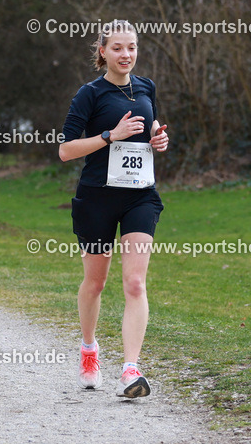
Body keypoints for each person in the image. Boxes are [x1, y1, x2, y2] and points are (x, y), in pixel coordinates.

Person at [58, 20, 170, 398]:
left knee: (135, 282)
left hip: (140, 195)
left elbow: (150, 127)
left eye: (132, 47)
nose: (126, 55)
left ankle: (130, 369)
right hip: (97, 197)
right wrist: (110, 136)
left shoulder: (146, 87)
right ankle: (89, 349)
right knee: (96, 282)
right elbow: (65, 150)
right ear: (102, 51)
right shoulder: (89, 94)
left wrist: (158, 139)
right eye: (118, 48)